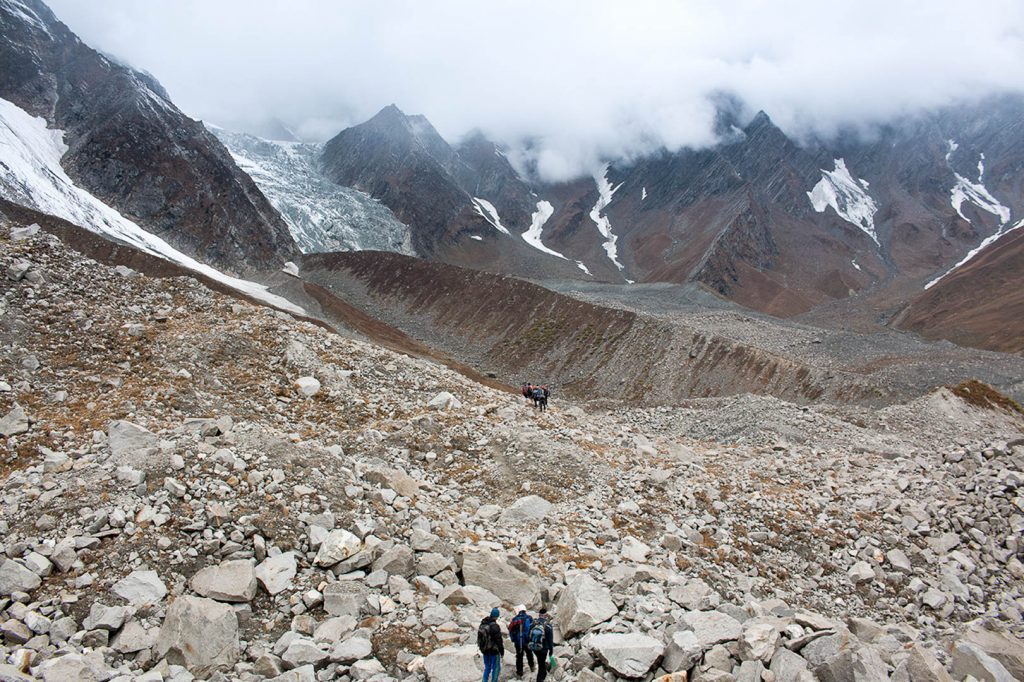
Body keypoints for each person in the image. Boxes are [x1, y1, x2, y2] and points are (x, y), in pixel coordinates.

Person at [477, 607, 504, 682]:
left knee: (487, 667)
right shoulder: (495, 626)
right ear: (497, 616)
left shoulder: (483, 624)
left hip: (485, 650)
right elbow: (499, 640)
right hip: (494, 651)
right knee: (496, 668)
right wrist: (502, 651)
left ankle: (484, 680)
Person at [527, 607, 554, 681]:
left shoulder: (533, 624)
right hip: (543, 649)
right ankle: (540, 679)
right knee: (541, 665)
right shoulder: (548, 626)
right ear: (546, 615)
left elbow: (528, 635)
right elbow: (550, 640)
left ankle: (543, 674)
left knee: (540, 662)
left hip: (534, 648)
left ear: (539, 615)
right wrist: (551, 651)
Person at [508, 604, 535, 677]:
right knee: (529, 654)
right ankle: (532, 667)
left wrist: (513, 640)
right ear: (525, 610)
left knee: (519, 657)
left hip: (518, 641)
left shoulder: (515, 619)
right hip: (527, 640)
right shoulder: (529, 618)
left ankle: (519, 673)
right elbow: (533, 629)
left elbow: (510, 631)